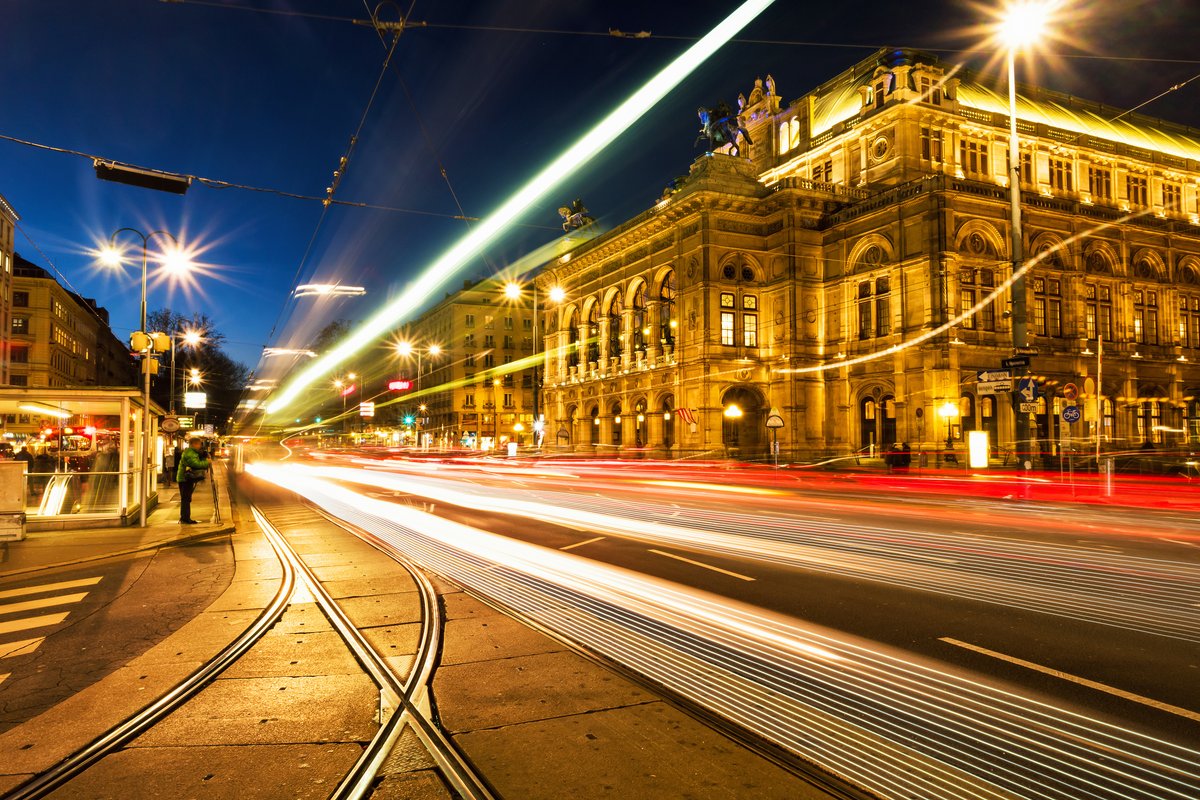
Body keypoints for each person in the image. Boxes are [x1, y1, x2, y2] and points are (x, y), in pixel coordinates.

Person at [176, 437, 211, 525]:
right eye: (199, 444)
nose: (200, 446)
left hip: (186, 478)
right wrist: (207, 462)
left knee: (186, 499)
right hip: (185, 479)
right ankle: (185, 518)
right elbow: (195, 464)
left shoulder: (192, 452)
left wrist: (203, 456)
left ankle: (185, 517)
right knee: (186, 499)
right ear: (194, 444)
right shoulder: (190, 453)